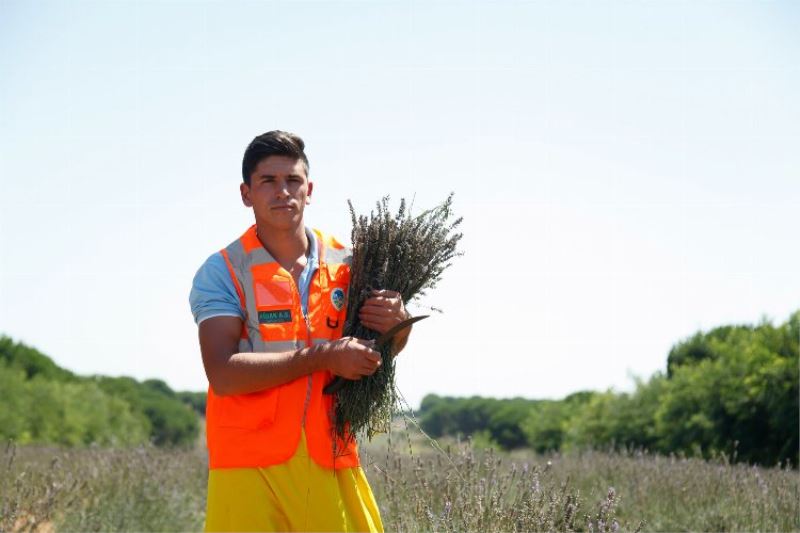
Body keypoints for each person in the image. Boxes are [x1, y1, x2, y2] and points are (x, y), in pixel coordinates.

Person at [189, 130, 411, 532]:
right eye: (268, 182)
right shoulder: (222, 271)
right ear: (246, 193)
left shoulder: (350, 263)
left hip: (330, 454)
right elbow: (222, 373)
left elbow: (383, 351)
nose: (283, 192)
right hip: (247, 465)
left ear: (309, 190)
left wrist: (396, 326)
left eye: (292, 181)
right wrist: (324, 357)